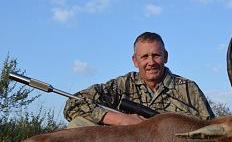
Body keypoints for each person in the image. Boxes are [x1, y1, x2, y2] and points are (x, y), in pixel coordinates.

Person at [64, 32, 214, 127]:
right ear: (135, 61)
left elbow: (211, 128)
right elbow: (73, 103)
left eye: (156, 55)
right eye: (144, 57)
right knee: (78, 125)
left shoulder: (188, 88)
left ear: (165, 57)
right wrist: (120, 119)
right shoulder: (122, 85)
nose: (151, 62)